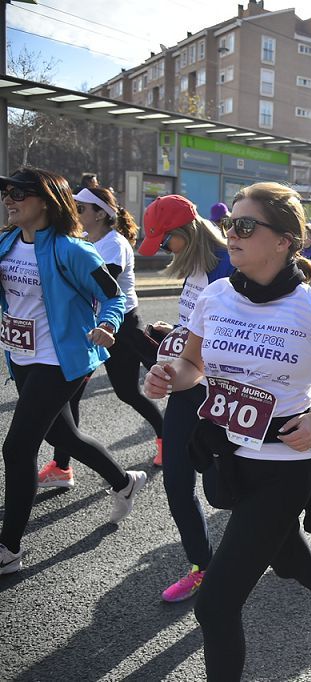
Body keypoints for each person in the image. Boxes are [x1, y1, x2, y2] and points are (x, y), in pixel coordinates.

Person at [144, 182, 311, 680]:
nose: (233, 235)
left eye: (246, 227)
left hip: (284, 468)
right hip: (230, 458)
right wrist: (169, 377)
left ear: (284, 241)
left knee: (216, 604)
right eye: (231, 225)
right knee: (290, 561)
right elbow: (193, 366)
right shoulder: (216, 295)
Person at [0, 167, 143, 576]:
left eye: (19, 194)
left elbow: (114, 297)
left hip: (62, 360)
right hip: (22, 357)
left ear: (45, 201)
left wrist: (108, 325)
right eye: (7, 193)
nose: (9, 200)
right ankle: (124, 481)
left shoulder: (74, 250)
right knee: (64, 435)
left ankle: (9, 548)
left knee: (17, 448)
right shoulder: (7, 243)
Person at [136, 193, 234, 601]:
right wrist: (173, 332)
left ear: (185, 232)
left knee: (226, 489)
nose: (161, 251)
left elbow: (233, 339)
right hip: (187, 387)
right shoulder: (195, 266)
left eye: (164, 241)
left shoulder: (228, 267)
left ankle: (277, 537)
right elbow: (195, 326)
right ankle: (203, 567)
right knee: (177, 479)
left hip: (225, 395)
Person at [39, 186, 164, 489]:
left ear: (100, 213)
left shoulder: (114, 243)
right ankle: (62, 467)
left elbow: (98, 287)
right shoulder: (81, 241)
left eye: (81, 208)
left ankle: (167, 437)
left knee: (127, 392)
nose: (77, 212)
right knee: (71, 396)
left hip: (119, 325)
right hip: (88, 325)